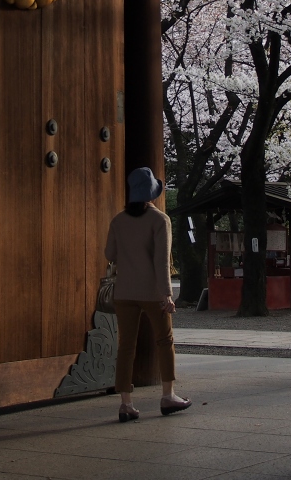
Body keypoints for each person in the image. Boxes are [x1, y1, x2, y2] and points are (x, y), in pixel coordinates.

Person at [105, 167, 192, 422]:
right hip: (153, 292)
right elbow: (162, 260)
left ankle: (126, 403)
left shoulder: (118, 220)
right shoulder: (159, 220)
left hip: (124, 292)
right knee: (164, 341)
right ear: (152, 193)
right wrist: (167, 294)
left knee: (126, 346)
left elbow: (109, 254)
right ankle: (168, 396)